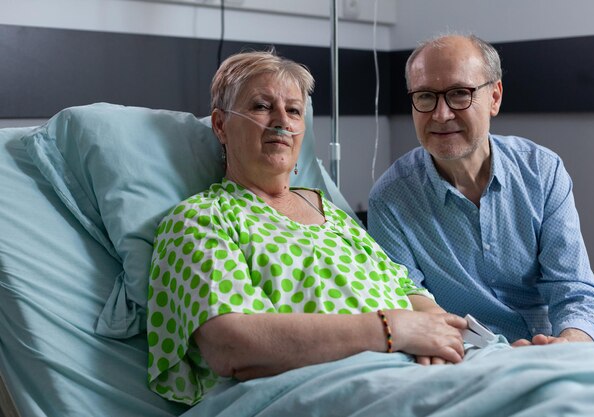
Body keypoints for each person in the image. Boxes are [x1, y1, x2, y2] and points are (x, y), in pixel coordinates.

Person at [146, 50, 469, 405]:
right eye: (261, 106)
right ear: (220, 125)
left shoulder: (332, 215)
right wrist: (390, 329)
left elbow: (409, 292)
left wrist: (455, 337)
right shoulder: (201, 219)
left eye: (294, 110)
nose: (282, 121)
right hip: (328, 391)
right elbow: (232, 344)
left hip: (424, 371)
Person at [368, 33, 594, 347]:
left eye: (459, 93)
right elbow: (411, 308)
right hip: (468, 357)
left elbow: (574, 290)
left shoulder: (542, 172)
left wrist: (570, 343)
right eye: (426, 96)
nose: (441, 114)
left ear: (494, 97)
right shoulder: (390, 200)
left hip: (554, 346)